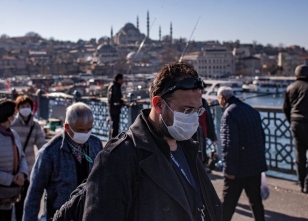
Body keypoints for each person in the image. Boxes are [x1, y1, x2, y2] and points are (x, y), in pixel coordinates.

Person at [83, 63, 221, 221]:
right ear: (158, 105)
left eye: (197, 111)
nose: (193, 118)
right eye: (186, 110)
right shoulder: (117, 159)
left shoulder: (190, 148)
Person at [23, 102, 103, 221]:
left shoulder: (96, 144)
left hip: (90, 213)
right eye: (80, 130)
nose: (85, 134)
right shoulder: (49, 153)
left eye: (89, 129)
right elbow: (34, 194)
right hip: (60, 215)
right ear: (67, 127)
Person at [217, 86, 267, 221]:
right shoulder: (251, 110)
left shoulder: (229, 113)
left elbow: (229, 144)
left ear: (223, 99)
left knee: (227, 206)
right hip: (255, 166)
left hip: (238, 169)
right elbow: (261, 138)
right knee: (256, 202)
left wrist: (229, 170)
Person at [11, 95, 46, 221]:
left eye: (27, 106)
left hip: (30, 167)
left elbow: (42, 146)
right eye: (22, 106)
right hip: (15, 167)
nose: (25, 109)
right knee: (15, 199)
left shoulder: (35, 125)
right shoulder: (12, 124)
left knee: (27, 199)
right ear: (18, 108)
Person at [283, 64, 308, 194]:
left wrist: (291, 120)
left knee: (299, 154)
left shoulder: (290, 88)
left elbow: (285, 108)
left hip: (296, 123)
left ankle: (301, 183)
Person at [107, 73, 127, 139]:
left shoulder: (113, 85)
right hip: (114, 109)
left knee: (113, 126)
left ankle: (111, 141)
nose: (123, 81)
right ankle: (113, 142)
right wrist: (122, 101)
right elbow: (114, 98)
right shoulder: (115, 86)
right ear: (119, 79)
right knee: (115, 127)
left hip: (113, 109)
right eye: (122, 79)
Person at [199, 96, 218, 165]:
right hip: (193, 135)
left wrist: (213, 137)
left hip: (203, 135)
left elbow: (209, 120)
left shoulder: (203, 102)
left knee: (202, 156)